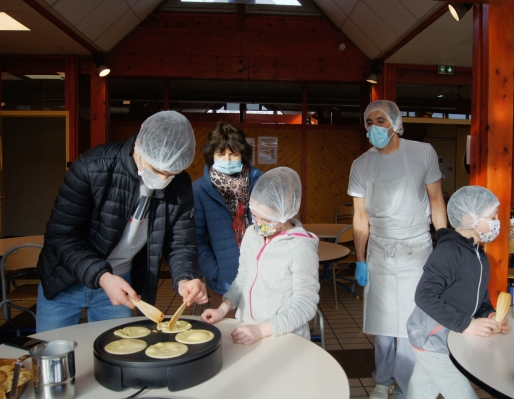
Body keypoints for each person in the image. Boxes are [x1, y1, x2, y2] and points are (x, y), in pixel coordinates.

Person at [36, 111, 208, 332]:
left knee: (114, 354)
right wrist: (102, 276)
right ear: (139, 146)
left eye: (172, 173)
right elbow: (61, 236)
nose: (164, 180)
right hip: (64, 279)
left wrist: (186, 278)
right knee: (53, 353)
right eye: (157, 170)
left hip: (121, 282)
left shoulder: (180, 185)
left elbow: (181, 242)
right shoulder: (92, 167)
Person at [348, 100, 447, 399]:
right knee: (382, 322)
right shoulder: (361, 165)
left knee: (411, 324)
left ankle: (407, 385)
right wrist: (361, 259)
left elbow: (437, 201)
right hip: (380, 250)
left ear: (395, 122)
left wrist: (443, 244)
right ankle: (382, 380)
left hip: (417, 249)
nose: (374, 127)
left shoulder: (422, 152)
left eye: (380, 120)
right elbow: (360, 217)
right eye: (369, 122)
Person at [405, 186, 510, 399]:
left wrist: (489, 314)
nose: (497, 222)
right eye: (492, 216)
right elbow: (424, 296)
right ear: (469, 218)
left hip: (446, 337)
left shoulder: (479, 256)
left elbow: (478, 298)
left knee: (421, 392)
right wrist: (468, 324)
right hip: (432, 337)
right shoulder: (448, 252)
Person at [200, 167, 319, 345]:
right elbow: (242, 279)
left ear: (286, 213)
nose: (260, 226)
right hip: (247, 328)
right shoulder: (251, 234)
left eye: (268, 220)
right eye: (255, 217)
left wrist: (261, 330)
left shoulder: (300, 247)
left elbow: (305, 305)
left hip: (284, 337)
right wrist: (223, 309)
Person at [192, 123, 263, 316]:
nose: (228, 159)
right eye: (221, 154)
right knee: (230, 335)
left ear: (243, 154)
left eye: (233, 153)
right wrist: (215, 273)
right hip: (224, 280)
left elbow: (273, 226)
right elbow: (196, 240)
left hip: (262, 275)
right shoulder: (199, 190)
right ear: (211, 155)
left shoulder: (260, 182)